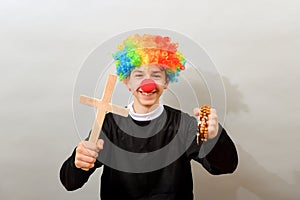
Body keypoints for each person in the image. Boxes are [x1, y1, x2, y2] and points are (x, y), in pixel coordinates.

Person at [60, 34, 238, 200]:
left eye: (156, 75)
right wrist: (79, 160)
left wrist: (215, 137)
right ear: (128, 82)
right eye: (139, 75)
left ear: (166, 82)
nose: (148, 83)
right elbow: (70, 182)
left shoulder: (184, 125)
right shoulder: (110, 124)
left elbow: (225, 166)